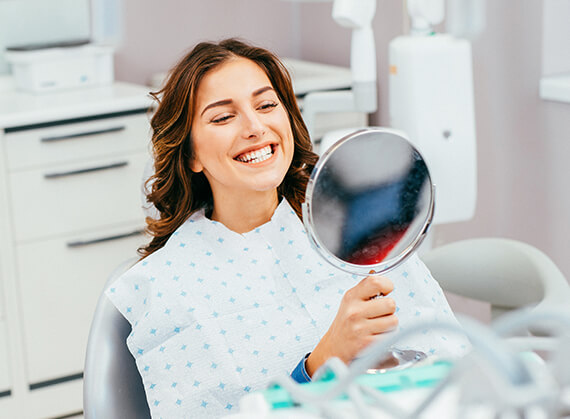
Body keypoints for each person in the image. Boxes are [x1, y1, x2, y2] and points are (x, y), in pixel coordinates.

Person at [106, 38, 469, 418]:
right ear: (191, 153)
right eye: (222, 117)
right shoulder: (165, 288)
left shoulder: (365, 233)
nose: (255, 127)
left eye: (266, 105)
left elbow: (456, 362)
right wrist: (320, 364)